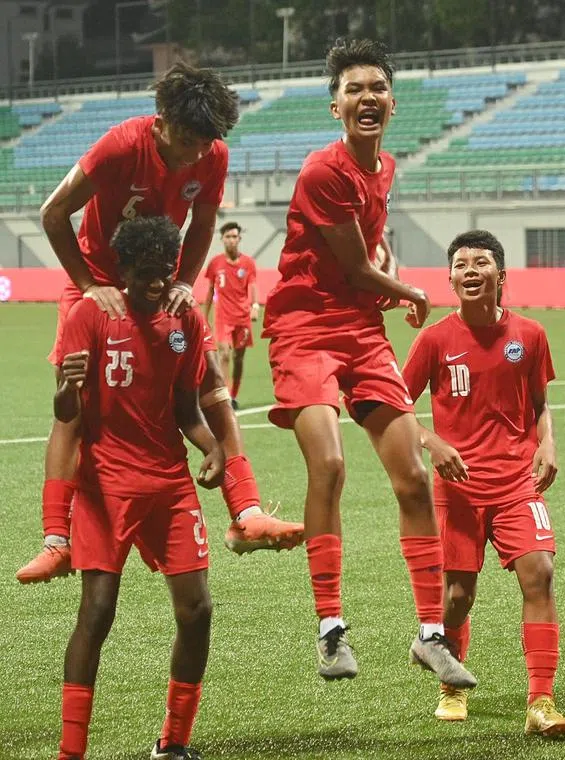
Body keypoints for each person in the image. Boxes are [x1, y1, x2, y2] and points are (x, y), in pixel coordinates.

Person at [17, 63, 302, 586]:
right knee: (74, 401)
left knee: (211, 380)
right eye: (188, 139)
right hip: (99, 281)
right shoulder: (119, 146)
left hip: (159, 283)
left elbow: (205, 222)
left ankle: (246, 513)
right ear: (161, 120)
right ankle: (57, 540)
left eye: (207, 142)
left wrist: (185, 283)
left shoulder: (212, 155)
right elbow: (54, 212)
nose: (197, 153)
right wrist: (88, 285)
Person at [262, 38, 475, 688]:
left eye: (376, 88)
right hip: (303, 327)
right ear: (335, 105)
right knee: (328, 462)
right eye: (354, 89)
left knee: (412, 476)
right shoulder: (324, 169)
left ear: (393, 100)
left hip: (359, 327)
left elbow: (369, 253)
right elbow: (354, 266)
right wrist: (408, 291)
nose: (367, 98)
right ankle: (331, 630)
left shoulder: (384, 168)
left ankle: (431, 635)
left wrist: (391, 275)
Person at [55, 217, 226, 760]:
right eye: (146, 274)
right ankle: (71, 750)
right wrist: (68, 383)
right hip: (106, 486)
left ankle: (173, 744)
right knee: (98, 611)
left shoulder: (185, 322)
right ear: (123, 270)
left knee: (197, 611)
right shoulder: (91, 314)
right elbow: (64, 413)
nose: (158, 284)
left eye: (165, 273)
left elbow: (186, 407)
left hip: (170, 484)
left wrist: (212, 447)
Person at [402, 229, 565, 737]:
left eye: (480, 262)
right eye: (460, 264)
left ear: (502, 275)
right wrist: (434, 444)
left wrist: (547, 443)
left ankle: (541, 701)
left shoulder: (531, 334)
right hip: (457, 488)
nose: (470, 270)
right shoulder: (434, 338)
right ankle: (451, 685)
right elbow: (395, 407)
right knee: (457, 596)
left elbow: (540, 402)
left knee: (539, 573)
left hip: (519, 481)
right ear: (450, 278)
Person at [203, 222, 258, 410]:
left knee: (239, 358)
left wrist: (255, 305)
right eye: (228, 237)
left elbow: (252, 286)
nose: (231, 240)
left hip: (242, 318)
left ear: (239, 239)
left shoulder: (248, 263)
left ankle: (234, 393)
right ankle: (225, 394)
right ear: (222, 239)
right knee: (224, 354)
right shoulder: (215, 263)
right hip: (223, 318)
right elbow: (210, 291)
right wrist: (204, 316)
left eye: (235, 237)